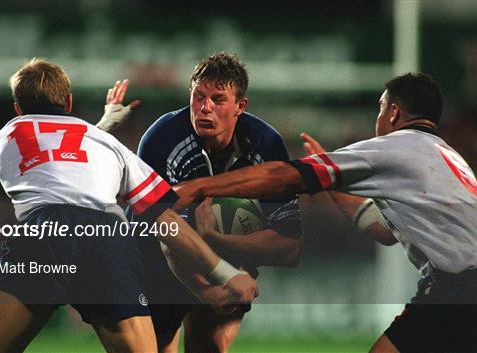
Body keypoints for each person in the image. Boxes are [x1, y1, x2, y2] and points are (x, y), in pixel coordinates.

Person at [174, 72, 477, 353]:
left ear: (394, 112)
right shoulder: (447, 158)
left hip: (459, 289)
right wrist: (332, 185)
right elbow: (382, 229)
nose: (379, 118)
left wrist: (202, 186)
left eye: (381, 109)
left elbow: (282, 176)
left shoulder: (396, 146)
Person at [0, 58, 258, 353]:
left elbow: (54, 150)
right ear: (69, 101)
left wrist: (101, 127)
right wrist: (227, 274)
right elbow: (165, 220)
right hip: (107, 238)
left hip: (45, 233)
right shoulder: (110, 147)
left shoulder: (7, 134)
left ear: (18, 109)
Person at [132, 52, 302, 353]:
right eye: (198, 97)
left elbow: (289, 247)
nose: (204, 108)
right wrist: (204, 288)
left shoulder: (266, 146)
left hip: (231, 261)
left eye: (218, 99)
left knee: (208, 347)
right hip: (156, 262)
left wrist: (217, 241)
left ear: (240, 106)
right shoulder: (162, 140)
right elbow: (164, 231)